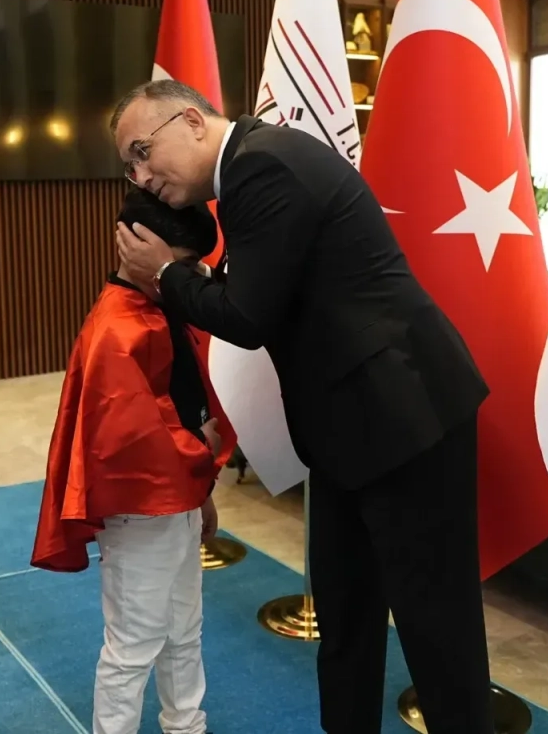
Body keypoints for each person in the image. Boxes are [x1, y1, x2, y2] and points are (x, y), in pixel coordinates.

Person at [111, 79, 494, 734]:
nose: (142, 177)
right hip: (350, 430)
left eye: (143, 152)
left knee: (437, 630)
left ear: (193, 122)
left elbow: (246, 316)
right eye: (130, 166)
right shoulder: (251, 168)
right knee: (344, 618)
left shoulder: (262, 167)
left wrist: (165, 274)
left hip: (408, 419)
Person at [32, 188, 236, 734]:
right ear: (136, 245)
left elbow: (183, 403)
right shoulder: (118, 328)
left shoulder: (160, 310)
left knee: (184, 626)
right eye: (182, 266)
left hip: (178, 496)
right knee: (134, 641)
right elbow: (132, 440)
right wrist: (201, 449)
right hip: (141, 507)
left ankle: (186, 724)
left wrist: (202, 490)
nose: (189, 279)